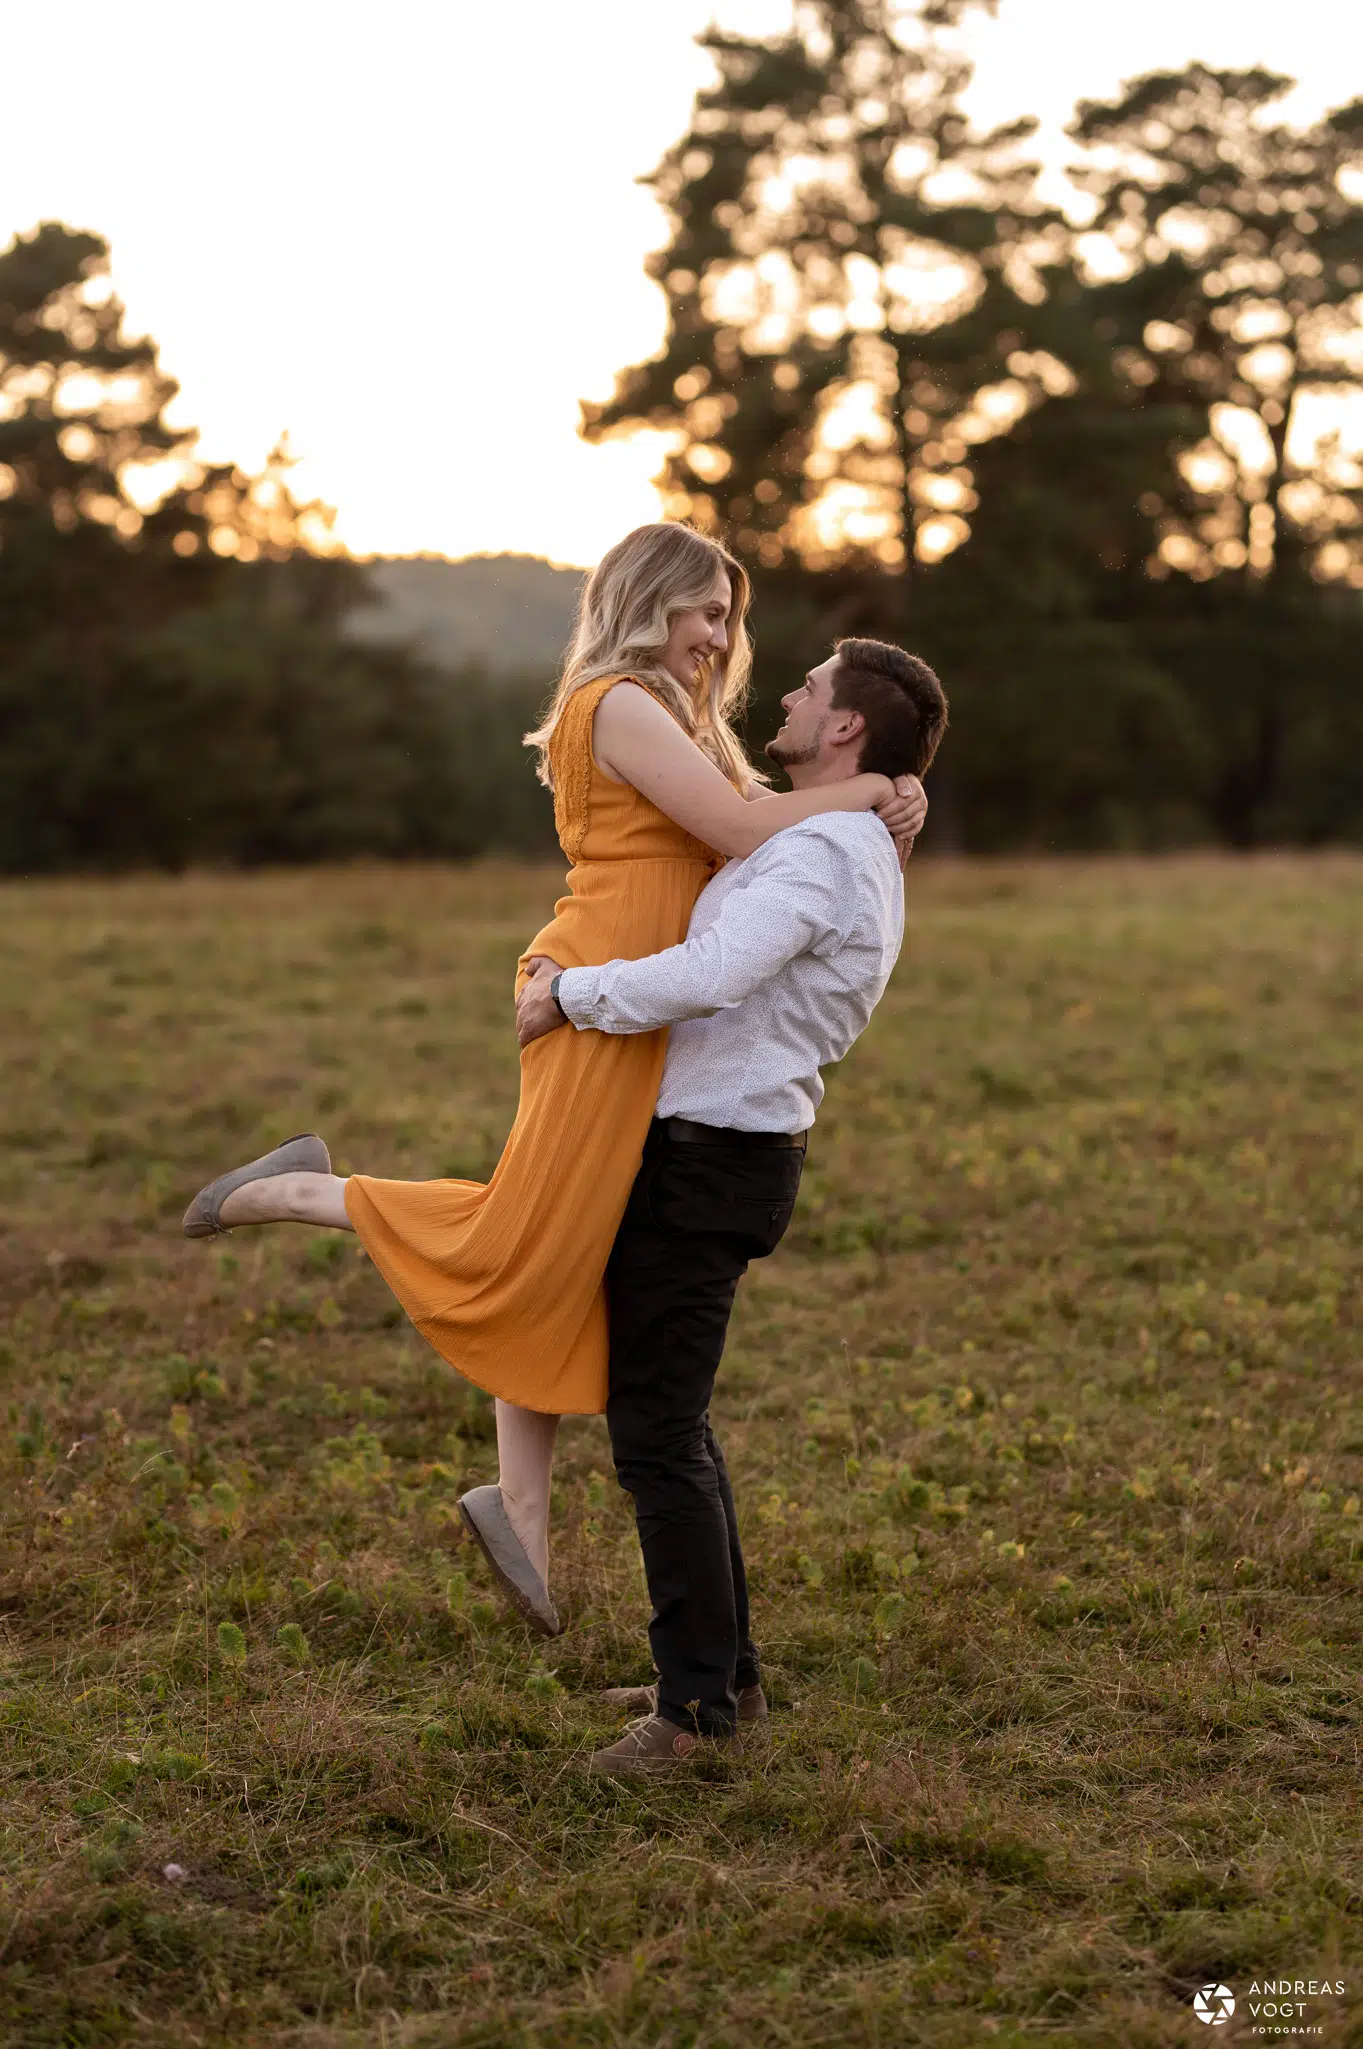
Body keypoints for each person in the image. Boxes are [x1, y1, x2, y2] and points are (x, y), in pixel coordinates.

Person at [180, 524, 925, 1636]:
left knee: (559, 1241)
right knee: (530, 1229)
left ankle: (520, 1508)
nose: (722, 639)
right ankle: (291, 1194)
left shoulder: (685, 721)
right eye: (704, 613)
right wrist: (872, 786)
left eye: (730, 618)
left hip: (642, 996)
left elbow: (769, 861)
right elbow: (735, 827)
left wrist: (887, 808)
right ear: (648, 599)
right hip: (598, 982)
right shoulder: (618, 699)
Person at [514, 635, 948, 1774]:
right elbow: (726, 815)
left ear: (846, 727)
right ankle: (723, 1674)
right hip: (718, 1153)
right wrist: (896, 791)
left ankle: (693, 1712)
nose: (788, 697)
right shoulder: (821, 832)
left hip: (713, 1162)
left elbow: (709, 977)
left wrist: (569, 994)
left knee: (657, 1437)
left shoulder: (822, 857)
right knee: (674, 1425)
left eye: (809, 690)